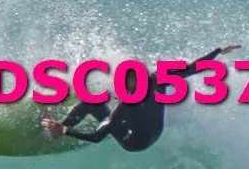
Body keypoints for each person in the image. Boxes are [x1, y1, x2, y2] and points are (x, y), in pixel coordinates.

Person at [46, 46, 239, 152]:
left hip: (135, 142)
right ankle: (106, 126)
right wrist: (218, 51)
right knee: (105, 112)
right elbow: (192, 68)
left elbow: (96, 137)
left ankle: (57, 129)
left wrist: (66, 130)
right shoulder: (159, 78)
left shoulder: (125, 106)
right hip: (155, 133)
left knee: (91, 104)